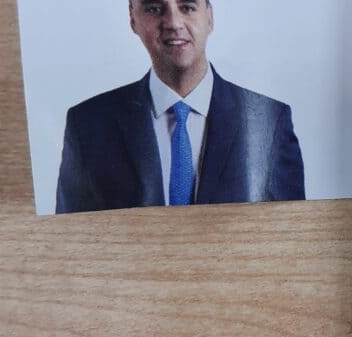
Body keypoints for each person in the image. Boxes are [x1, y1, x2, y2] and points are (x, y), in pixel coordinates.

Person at [56, 0, 305, 214]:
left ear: (209, 17)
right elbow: (69, 244)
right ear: (133, 19)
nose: (174, 23)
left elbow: (293, 242)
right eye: (154, 9)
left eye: (187, 7)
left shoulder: (271, 121)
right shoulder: (87, 125)